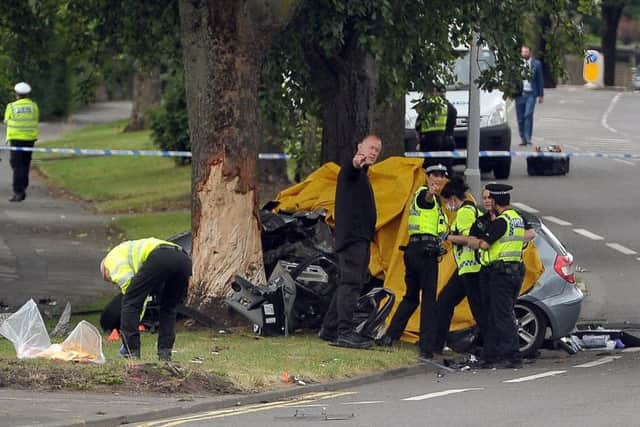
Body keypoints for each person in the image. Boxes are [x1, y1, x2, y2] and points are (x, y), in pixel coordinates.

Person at [319, 134, 382, 349]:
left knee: (348, 283)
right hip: (353, 239)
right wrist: (357, 161)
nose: (374, 152)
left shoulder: (362, 175)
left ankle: (330, 329)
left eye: (377, 150)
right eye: (371, 147)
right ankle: (344, 332)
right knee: (350, 284)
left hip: (359, 238)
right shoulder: (351, 171)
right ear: (359, 147)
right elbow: (352, 166)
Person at [380, 163, 449, 361]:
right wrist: (430, 192)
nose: (438, 179)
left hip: (415, 251)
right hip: (424, 254)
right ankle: (427, 347)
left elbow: (440, 229)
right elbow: (425, 200)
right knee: (428, 300)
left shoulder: (436, 203)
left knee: (411, 297)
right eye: (434, 176)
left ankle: (390, 336)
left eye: (441, 176)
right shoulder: (424, 195)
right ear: (427, 177)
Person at [100, 237, 192, 360]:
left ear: (105, 270)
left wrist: (132, 324)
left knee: (129, 302)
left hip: (160, 257)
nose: (113, 281)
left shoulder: (111, 261)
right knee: (168, 307)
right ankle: (165, 353)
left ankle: (130, 350)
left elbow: (130, 292)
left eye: (110, 279)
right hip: (184, 259)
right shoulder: (125, 250)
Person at [473, 183, 526, 369]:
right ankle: (491, 355)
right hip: (514, 271)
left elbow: (485, 244)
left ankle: (513, 355)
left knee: (501, 316)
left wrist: (477, 242)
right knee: (499, 315)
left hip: (500, 274)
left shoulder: (501, 222)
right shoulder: (517, 218)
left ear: (495, 202)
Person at [433, 177, 485, 354]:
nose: (448, 205)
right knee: (445, 302)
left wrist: (447, 238)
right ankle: (437, 343)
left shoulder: (465, 212)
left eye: (448, 201)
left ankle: (491, 348)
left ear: (454, 198)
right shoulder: (471, 210)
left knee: (477, 310)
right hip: (466, 268)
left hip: (471, 268)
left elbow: (469, 239)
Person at [3, 82, 39, 202]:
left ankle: (18, 191)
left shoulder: (11, 107)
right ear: (28, 94)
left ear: (16, 94)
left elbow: (6, 121)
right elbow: (36, 119)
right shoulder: (34, 106)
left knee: (16, 165)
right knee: (25, 163)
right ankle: (23, 185)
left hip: (16, 139)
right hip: (30, 139)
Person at [415, 89, 457, 175]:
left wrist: (419, 141)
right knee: (447, 168)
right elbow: (452, 124)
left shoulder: (427, 106)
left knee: (428, 168)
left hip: (429, 141)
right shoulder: (450, 107)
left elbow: (418, 125)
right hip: (447, 141)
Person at [516, 45, 544, 146]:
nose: (524, 54)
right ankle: (522, 138)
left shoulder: (536, 64)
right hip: (519, 94)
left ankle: (528, 138)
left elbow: (540, 80)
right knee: (520, 118)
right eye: (523, 52)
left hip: (531, 94)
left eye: (526, 52)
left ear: (530, 53)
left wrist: (541, 95)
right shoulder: (517, 64)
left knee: (528, 115)